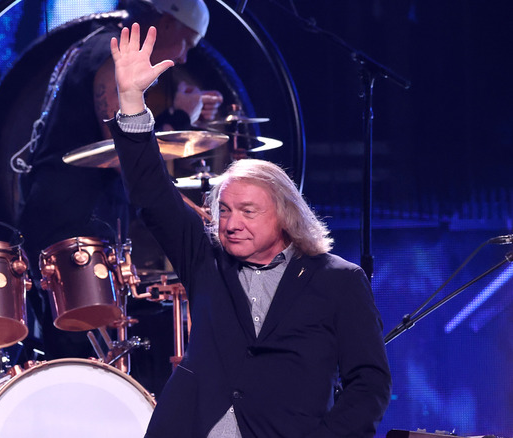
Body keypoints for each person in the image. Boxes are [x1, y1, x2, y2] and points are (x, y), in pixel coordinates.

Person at [108, 23, 392, 437]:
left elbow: (369, 385)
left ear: (285, 216)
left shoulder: (339, 281)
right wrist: (132, 101)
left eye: (247, 211)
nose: (231, 223)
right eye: (224, 211)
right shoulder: (205, 259)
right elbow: (152, 192)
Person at [16, 0, 222, 360]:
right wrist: (177, 119)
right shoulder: (112, 53)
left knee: (91, 347)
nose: (186, 57)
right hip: (70, 220)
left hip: (73, 212)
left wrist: (178, 114)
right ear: (168, 23)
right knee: (82, 350)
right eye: (187, 43)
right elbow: (120, 149)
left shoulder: (102, 45)